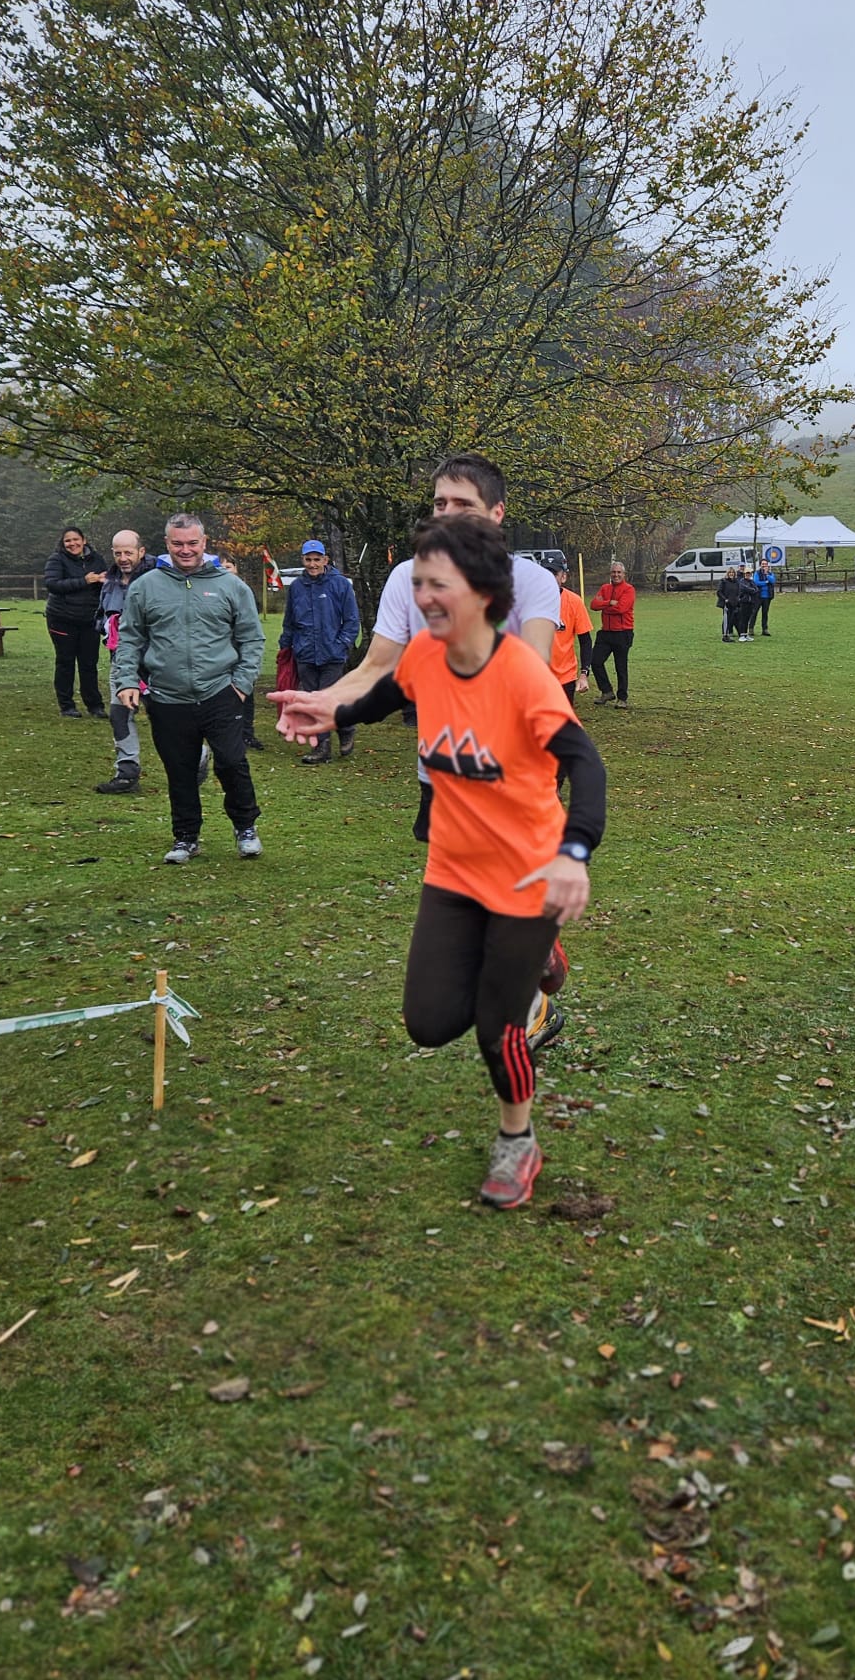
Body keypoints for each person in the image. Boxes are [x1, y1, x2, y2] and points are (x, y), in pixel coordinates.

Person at [272, 517, 605, 1209]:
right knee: (427, 1022)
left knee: (498, 1028)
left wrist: (574, 853)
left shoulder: (521, 675)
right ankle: (536, 964)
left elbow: (585, 764)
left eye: (438, 584)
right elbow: (388, 694)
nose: (423, 596)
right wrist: (333, 714)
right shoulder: (427, 654)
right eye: (418, 582)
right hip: (452, 872)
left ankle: (517, 1139)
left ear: (482, 592)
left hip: (527, 877)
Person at [287, 454, 562, 842]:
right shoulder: (406, 577)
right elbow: (376, 667)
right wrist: (322, 701)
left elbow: (533, 672)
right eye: (440, 503)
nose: (447, 514)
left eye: (463, 504)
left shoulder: (531, 581)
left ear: (496, 513)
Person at [113, 513, 266, 863]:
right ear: (167, 544)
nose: (186, 550)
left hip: (221, 693)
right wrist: (127, 680)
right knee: (180, 770)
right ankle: (185, 837)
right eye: (178, 543)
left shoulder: (231, 587)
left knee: (232, 763)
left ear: (204, 542)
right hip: (167, 697)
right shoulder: (145, 587)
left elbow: (252, 639)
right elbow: (130, 638)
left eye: (192, 543)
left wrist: (241, 684)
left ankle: (245, 827)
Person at [279, 540, 361, 764]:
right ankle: (325, 744)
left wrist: (341, 644)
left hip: (332, 654)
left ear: (325, 560)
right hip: (305, 653)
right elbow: (289, 621)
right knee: (312, 701)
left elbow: (352, 620)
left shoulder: (340, 584)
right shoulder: (297, 587)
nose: (312, 564)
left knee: (325, 699)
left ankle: (342, 731)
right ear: (303, 560)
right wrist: (285, 646)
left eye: (317, 559)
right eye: (308, 559)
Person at [94, 529, 155, 793]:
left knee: (166, 717)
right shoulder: (110, 581)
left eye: (128, 552)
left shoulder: (158, 579)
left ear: (141, 551)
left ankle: (196, 758)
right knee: (119, 715)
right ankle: (127, 773)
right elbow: (101, 614)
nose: (123, 558)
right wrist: (105, 628)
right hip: (120, 661)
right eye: (118, 553)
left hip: (155, 664)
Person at [44, 526, 107, 719]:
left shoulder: (96, 559)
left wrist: (105, 581)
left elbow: (104, 583)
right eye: (68, 541)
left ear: (84, 540)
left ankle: (95, 706)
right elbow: (52, 584)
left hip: (89, 620)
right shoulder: (56, 560)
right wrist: (84, 581)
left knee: (89, 664)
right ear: (63, 544)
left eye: (75, 539)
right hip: (62, 619)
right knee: (66, 663)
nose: (72, 544)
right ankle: (67, 705)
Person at [217, 554, 267, 751]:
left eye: (228, 566)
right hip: (220, 652)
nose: (225, 570)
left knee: (246, 692)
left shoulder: (243, 591)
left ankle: (247, 733)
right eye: (221, 567)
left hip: (241, 648)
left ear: (236, 568)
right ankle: (226, 733)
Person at [590, 559, 635, 705]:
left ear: (624, 574)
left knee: (620, 666)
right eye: (614, 572)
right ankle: (607, 691)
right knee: (595, 661)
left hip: (623, 632)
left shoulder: (629, 589)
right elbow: (593, 605)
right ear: (610, 574)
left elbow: (621, 608)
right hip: (606, 633)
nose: (616, 575)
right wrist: (609, 602)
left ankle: (622, 698)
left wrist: (603, 607)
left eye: (619, 572)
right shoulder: (605, 588)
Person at [549, 562, 592, 704]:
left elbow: (585, 641)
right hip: (537, 675)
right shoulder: (529, 601)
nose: (549, 578)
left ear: (563, 577)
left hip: (565, 676)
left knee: (562, 716)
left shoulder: (574, 602)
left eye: (554, 574)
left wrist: (584, 674)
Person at [733, 571, 760, 642]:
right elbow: (744, 589)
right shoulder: (741, 581)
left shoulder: (752, 582)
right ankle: (741, 635)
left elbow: (756, 590)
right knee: (742, 619)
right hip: (743, 602)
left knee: (747, 619)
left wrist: (751, 590)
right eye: (746, 574)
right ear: (744, 574)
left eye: (749, 574)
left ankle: (746, 634)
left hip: (751, 602)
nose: (748, 575)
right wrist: (751, 590)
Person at [753, 560, 777, 636]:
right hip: (758, 596)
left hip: (767, 597)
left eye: (765, 564)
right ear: (760, 565)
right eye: (762, 564)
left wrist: (767, 575)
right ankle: (751, 628)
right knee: (754, 612)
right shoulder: (757, 573)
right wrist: (766, 582)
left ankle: (765, 629)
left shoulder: (770, 573)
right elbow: (756, 582)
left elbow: (773, 581)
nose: (764, 565)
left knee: (765, 613)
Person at [717, 566, 740, 642]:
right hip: (726, 604)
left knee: (731, 619)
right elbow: (719, 592)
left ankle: (728, 634)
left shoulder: (736, 582)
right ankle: (725, 635)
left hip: (734, 603)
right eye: (730, 572)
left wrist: (737, 599)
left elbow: (738, 592)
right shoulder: (723, 581)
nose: (731, 574)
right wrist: (725, 599)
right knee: (726, 619)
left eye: (732, 572)